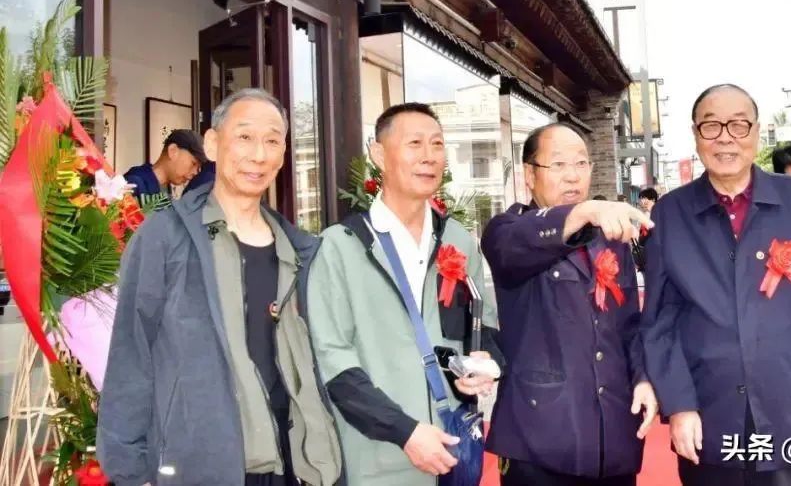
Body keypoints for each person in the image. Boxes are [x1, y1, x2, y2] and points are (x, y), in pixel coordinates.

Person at [98, 88, 342, 486]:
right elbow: (131, 351)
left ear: (283, 154)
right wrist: (128, 467)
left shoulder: (299, 250)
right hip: (199, 462)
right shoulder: (165, 238)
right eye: (244, 136)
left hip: (291, 462)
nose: (258, 155)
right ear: (212, 144)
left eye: (272, 141)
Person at [641, 84, 791, 486]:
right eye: (711, 126)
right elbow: (659, 321)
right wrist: (678, 404)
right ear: (696, 134)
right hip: (708, 418)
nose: (726, 138)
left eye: (738, 125)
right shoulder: (671, 213)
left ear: (757, 131)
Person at [306, 103, 502, 486]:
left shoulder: (458, 240)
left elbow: (483, 329)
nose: (429, 156)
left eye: (437, 144)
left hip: (452, 448)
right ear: (379, 155)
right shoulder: (341, 246)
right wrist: (405, 432)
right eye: (414, 143)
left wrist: (479, 367)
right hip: (379, 458)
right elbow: (333, 362)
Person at [482, 123, 658, 486]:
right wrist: (584, 212)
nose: (573, 176)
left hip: (612, 436)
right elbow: (514, 245)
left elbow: (629, 326)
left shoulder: (611, 239)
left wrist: (642, 377)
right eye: (559, 164)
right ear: (530, 174)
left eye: (581, 164)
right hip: (540, 439)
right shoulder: (508, 230)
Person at [123, 128, 206, 201]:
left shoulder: (167, 191)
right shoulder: (134, 184)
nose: (195, 172)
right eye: (193, 163)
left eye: (198, 167)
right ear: (173, 151)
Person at [631, 187, 660, 271]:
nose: (642, 201)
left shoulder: (658, 212)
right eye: (641, 198)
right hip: (644, 252)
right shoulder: (645, 214)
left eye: (644, 198)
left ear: (653, 199)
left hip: (654, 253)